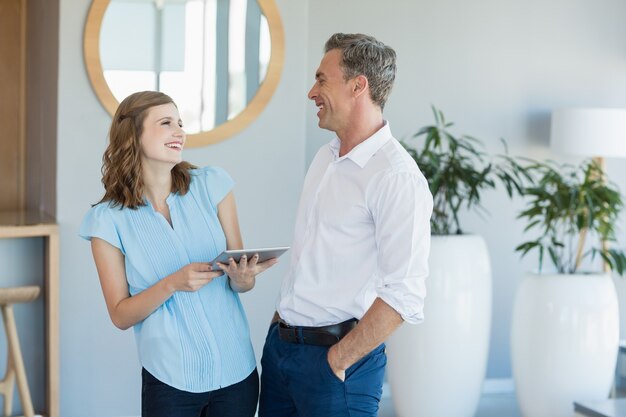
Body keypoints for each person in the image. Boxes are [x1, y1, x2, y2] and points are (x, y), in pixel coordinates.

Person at [258, 33, 433, 417]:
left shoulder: (396, 176)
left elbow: (404, 293)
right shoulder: (325, 157)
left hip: (336, 364)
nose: (311, 92)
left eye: (322, 79)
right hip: (282, 351)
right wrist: (278, 327)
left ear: (359, 86)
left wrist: (338, 359)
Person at [80, 91, 277, 417]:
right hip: (170, 380)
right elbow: (120, 315)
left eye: (181, 123)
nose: (179, 131)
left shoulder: (212, 185)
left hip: (236, 371)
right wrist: (172, 283)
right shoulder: (107, 220)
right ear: (134, 135)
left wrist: (244, 279)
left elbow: (240, 283)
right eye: (166, 123)